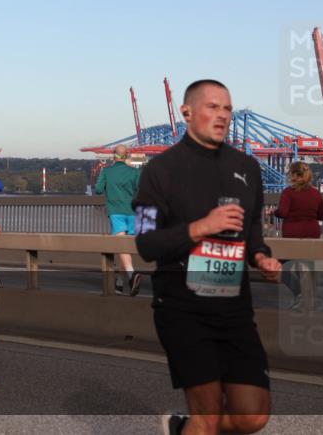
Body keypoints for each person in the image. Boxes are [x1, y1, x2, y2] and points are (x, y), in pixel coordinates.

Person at [133, 80, 282, 435]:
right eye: (212, 107)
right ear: (186, 112)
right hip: (183, 308)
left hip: (234, 309)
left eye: (227, 109)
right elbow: (145, 242)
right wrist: (200, 227)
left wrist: (263, 258)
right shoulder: (159, 171)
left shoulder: (247, 167)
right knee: (209, 419)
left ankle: (181, 428)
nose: (223, 116)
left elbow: (254, 238)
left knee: (253, 416)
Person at [275, 162, 323, 310]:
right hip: (312, 234)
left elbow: (283, 213)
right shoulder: (316, 193)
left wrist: (274, 212)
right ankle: (309, 300)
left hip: (292, 235)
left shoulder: (288, 192)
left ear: (294, 175)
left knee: (280, 267)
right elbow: (321, 216)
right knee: (308, 268)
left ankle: (299, 295)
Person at [96, 144, 143, 296]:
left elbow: (97, 190)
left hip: (116, 212)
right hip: (133, 213)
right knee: (125, 249)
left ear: (113, 155)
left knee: (121, 247)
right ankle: (120, 283)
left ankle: (131, 275)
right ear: (127, 155)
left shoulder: (107, 171)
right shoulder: (135, 172)